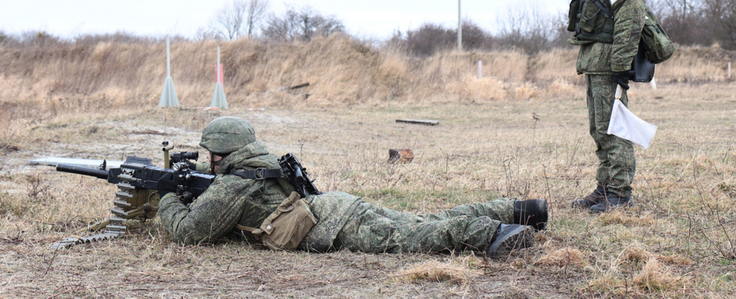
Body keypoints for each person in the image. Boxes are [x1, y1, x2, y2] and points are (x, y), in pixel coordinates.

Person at [157, 116, 548, 257]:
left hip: (338, 227)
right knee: (423, 218)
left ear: (223, 153)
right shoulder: (262, 163)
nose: (208, 159)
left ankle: (493, 234)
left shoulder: (231, 185)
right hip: (339, 207)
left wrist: (167, 198)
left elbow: (191, 233)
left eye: (211, 153)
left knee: (414, 238)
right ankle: (517, 209)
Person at [531, 0, 647, 213]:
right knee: (600, 128)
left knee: (615, 128)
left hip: (610, 60)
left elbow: (630, 15)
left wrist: (622, 64)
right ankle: (605, 188)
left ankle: (620, 193)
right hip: (596, 58)